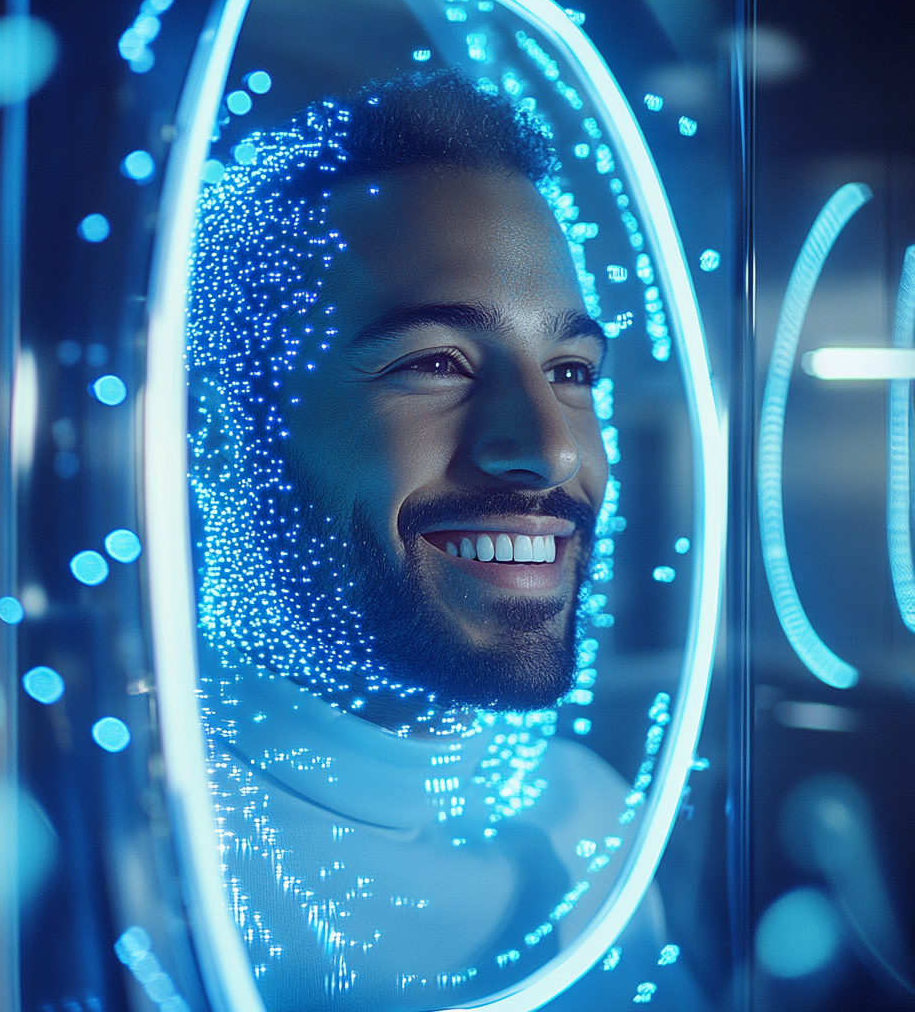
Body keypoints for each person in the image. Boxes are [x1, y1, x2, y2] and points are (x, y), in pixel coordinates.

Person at [188, 69, 683, 1010]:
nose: (545, 450)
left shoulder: (590, 817)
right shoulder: (133, 850)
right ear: (212, 435)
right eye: (436, 362)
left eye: (571, 369)